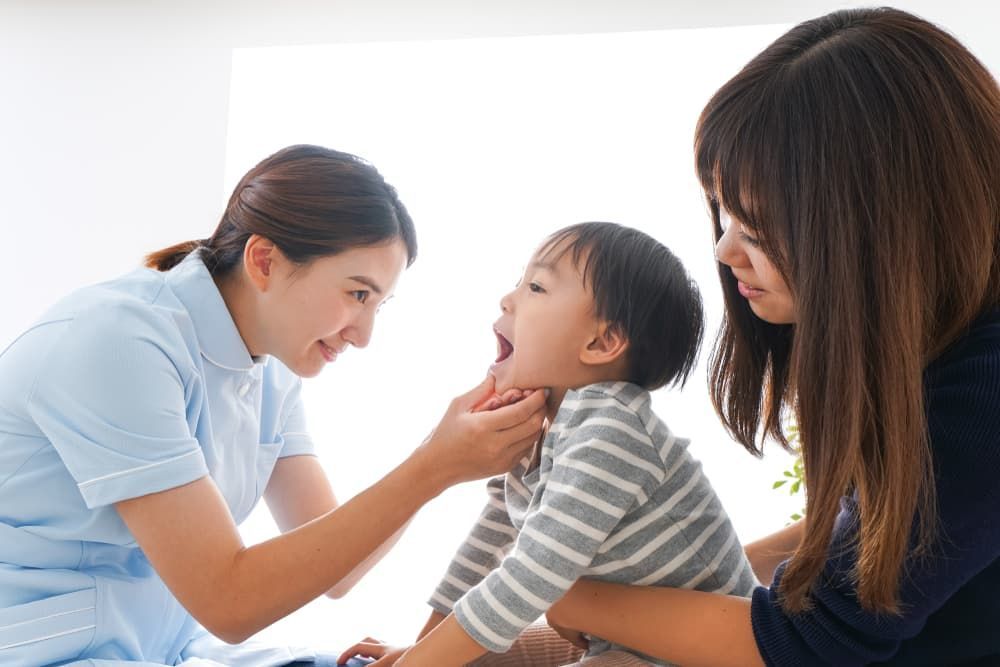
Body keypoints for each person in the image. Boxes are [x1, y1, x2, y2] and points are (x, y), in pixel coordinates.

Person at [533, 8, 1000, 667]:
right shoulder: (941, 352)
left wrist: (569, 594)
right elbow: (854, 549)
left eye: (757, 226)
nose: (725, 251)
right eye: (724, 213)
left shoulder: (980, 398)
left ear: (878, 228)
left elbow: (807, 640)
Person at [0, 144, 548, 667]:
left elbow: (339, 569)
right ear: (264, 260)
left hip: (155, 647)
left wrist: (443, 453)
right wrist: (435, 466)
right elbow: (230, 602)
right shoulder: (118, 342)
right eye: (357, 294)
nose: (363, 335)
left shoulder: (268, 371)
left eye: (379, 304)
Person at [339, 222, 757, 667]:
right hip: (621, 646)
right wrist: (420, 651)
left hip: (702, 656)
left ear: (601, 342)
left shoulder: (613, 429)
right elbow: (489, 546)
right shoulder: (543, 426)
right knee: (472, 656)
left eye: (536, 287)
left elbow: (529, 576)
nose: (508, 298)